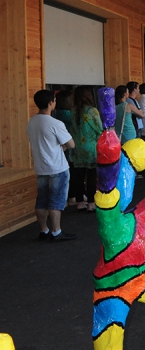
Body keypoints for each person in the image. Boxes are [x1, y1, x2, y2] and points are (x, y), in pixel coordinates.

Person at [27, 89, 76, 241]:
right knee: (56, 200)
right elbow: (71, 144)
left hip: (40, 167)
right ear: (50, 103)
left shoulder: (32, 122)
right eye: (54, 100)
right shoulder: (55, 123)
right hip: (57, 167)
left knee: (41, 199)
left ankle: (44, 230)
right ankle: (56, 232)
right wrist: (64, 147)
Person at [69, 86, 103, 212]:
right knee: (91, 175)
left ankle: (80, 201)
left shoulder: (73, 111)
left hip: (77, 147)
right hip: (91, 147)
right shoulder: (92, 111)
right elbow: (99, 129)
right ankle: (91, 202)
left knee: (79, 174)